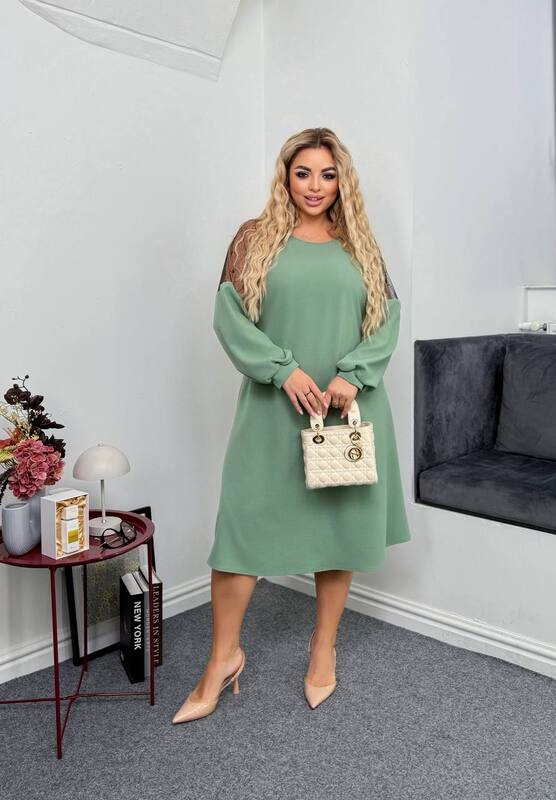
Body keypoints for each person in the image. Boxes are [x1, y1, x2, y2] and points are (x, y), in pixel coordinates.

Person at [172, 127, 411, 724]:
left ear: (342, 181)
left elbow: (388, 319)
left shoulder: (359, 243)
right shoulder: (253, 239)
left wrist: (353, 375)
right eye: (303, 172)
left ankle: (322, 647)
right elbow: (228, 317)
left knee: (337, 530)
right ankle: (222, 658)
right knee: (240, 535)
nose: (315, 186)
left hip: (344, 411)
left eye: (328, 174)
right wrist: (283, 370)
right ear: (285, 176)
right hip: (272, 409)